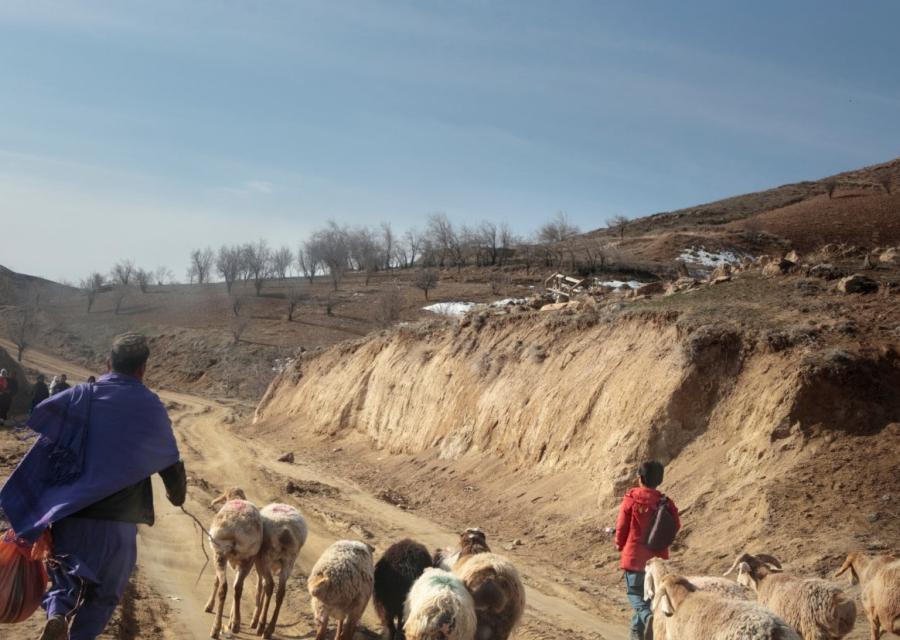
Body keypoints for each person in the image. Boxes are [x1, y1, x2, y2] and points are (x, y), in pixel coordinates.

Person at [0, 333, 186, 640]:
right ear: (142, 369)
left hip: (71, 515)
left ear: (108, 364)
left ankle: (58, 613)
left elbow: (47, 430)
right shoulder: (150, 405)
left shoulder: (81, 396)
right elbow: (170, 460)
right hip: (120, 524)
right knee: (106, 595)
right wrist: (177, 494)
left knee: (65, 579)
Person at [615, 461, 681, 640]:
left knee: (636, 597)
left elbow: (622, 527)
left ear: (640, 478)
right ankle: (643, 630)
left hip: (634, 558)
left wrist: (619, 545)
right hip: (658, 562)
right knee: (650, 602)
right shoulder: (666, 502)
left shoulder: (631, 498)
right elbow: (675, 525)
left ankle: (647, 619)